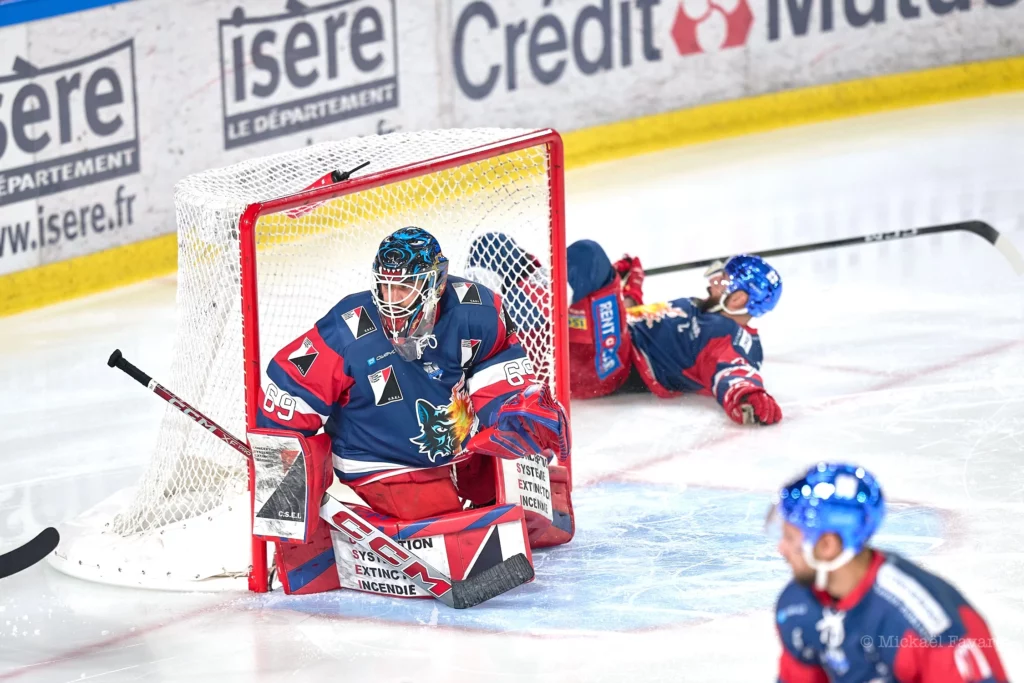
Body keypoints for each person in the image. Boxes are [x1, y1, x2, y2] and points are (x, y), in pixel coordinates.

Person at [256, 226, 572, 529]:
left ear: (436, 283)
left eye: (404, 288)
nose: (391, 299)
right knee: (452, 531)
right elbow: (288, 394)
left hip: (457, 442)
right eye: (385, 286)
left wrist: (512, 413)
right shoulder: (347, 330)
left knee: (523, 496)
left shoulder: (477, 310)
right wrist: (284, 499)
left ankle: (483, 496)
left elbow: (498, 370)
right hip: (381, 459)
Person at [466, 233, 783, 425]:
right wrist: (625, 291)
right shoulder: (695, 304)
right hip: (582, 343)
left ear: (740, 298)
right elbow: (636, 318)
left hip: (606, 365)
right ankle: (476, 323)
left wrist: (748, 395)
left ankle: (522, 313)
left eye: (724, 280)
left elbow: (734, 371)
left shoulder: (728, 336)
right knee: (492, 247)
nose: (714, 281)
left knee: (588, 254)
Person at [770, 462, 1008, 682]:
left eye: (790, 537)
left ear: (828, 546)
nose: (781, 548)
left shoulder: (925, 624)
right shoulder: (797, 605)